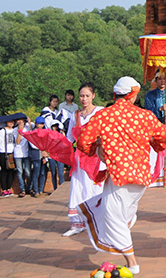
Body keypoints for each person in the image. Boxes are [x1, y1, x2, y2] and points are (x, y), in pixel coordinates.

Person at [77, 76, 166, 275]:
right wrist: (153, 144)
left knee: (113, 216)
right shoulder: (144, 116)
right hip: (141, 177)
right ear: (133, 95)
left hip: (118, 175)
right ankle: (123, 238)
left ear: (115, 94)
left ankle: (132, 262)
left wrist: (98, 148)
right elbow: (164, 138)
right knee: (119, 213)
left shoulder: (103, 115)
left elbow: (83, 142)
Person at [63, 82, 104, 237]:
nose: (84, 99)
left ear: (93, 96)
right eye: (81, 96)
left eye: (87, 95)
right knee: (78, 188)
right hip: (80, 157)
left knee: (95, 187)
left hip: (96, 156)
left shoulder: (100, 112)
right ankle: (77, 223)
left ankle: (99, 221)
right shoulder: (76, 115)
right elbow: (69, 137)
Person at [0, 117, 17, 197]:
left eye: (12, 121)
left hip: (13, 153)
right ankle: (4, 190)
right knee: (4, 171)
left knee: (11, 171)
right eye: (9, 121)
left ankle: (9, 188)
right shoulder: (2, 131)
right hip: (4, 153)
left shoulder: (15, 130)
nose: (11, 123)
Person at [13, 116, 29, 197]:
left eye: (21, 120)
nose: (19, 122)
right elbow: (18, 142)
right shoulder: (15, 130)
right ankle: (22, 189)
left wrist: (28, 122)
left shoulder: (27, 128)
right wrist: (20, 131)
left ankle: (29, 187)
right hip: (18, 153)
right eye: (18, 120)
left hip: (26, 152)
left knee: (28, 172)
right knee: (20, 172)